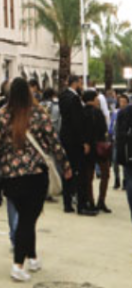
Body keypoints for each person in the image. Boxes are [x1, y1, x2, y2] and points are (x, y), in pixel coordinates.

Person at [0, 77, 72, 282]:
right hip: (35, 175)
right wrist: (65, 165)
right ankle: (18, 265)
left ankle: (33, 257)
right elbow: (53, 141)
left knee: (27, 218)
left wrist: (1, 165)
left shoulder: (1, 116)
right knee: (29, 219)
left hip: (11, 176)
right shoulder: (38, 114)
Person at [58, 75, 92, 214]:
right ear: (76, 83)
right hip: (74, 140)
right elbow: (77, 122)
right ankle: (81, 205)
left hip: (65, 137)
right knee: (79, 171)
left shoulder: (63, 96)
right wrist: (84, 141)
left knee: (68, 169)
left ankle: (67, 203)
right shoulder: (74, 99)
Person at [83, 90, 110, 213]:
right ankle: (101, 201)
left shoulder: (81, 112)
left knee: (89, 176)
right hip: (100, 148)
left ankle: (91, 201)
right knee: (105, 174)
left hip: (87, 149)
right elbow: (104, 128)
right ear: (93, 99)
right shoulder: (98, 112)